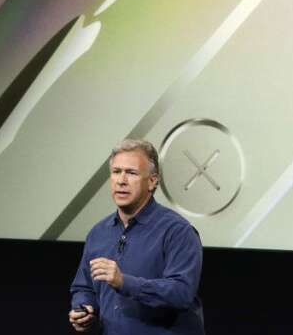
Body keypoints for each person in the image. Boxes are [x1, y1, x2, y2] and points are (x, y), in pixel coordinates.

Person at [69, 139, 205, 334]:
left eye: (131, 173)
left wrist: (124, 282)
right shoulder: (98, 233)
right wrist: (84, 308)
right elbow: (83, 287)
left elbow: (181, 292)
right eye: (116, 172)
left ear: (152, 181)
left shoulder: (177, 231)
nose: (121, 180)